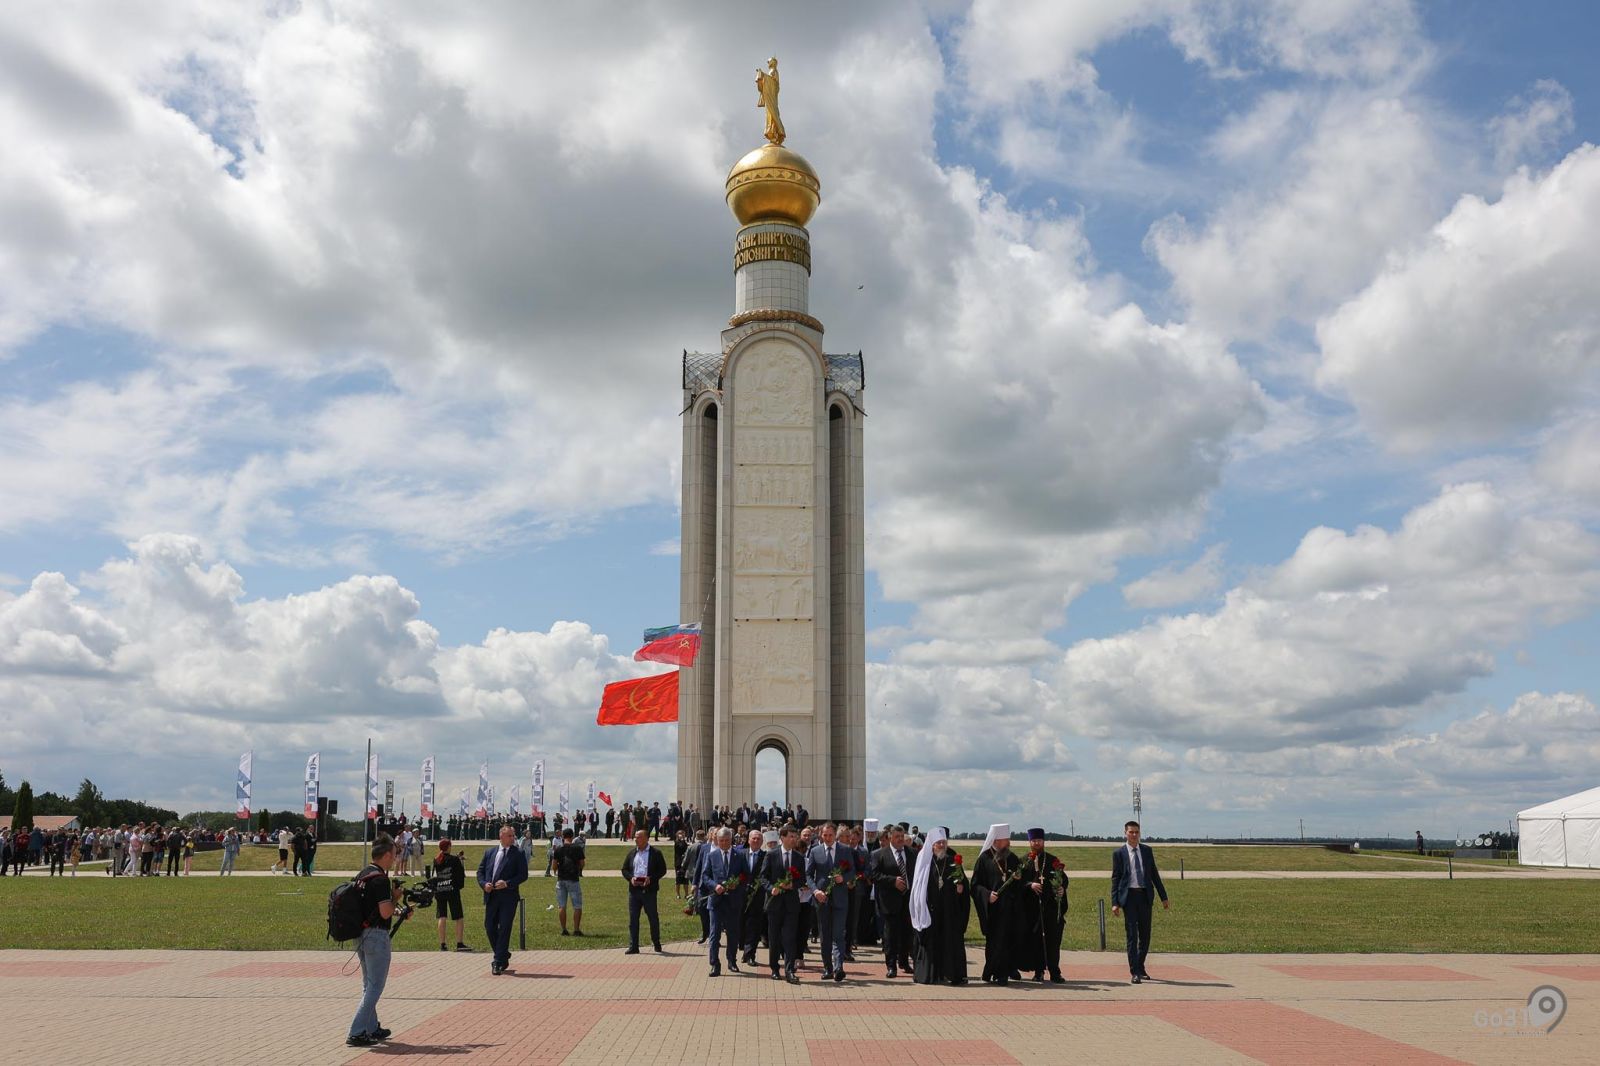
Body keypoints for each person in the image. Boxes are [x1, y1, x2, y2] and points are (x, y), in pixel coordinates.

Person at [345, 833, 402, 1048]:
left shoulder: (363, 875)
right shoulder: (380, 879)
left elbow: (374, 909)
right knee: (375, 987)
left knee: (368, 984)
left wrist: (397, 910)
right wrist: (395, 898)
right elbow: (385, 912)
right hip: (377, 937)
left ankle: (371, 1027)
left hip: (361, 935)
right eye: (394, 855)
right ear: (386, 855)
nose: (395, 859)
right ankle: (357, 1031)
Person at [972, 823, 1035, 985]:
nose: (1009, 843)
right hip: (994, 909)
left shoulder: (1012, 858)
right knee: (996, 941)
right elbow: (975, 885)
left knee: (1010, 940)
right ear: (996, 840)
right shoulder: (984, 859)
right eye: (1006, 840)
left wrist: (1020, 880)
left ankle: (1007, 969)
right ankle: (996, 971)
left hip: (1012, 908)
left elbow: (1020, 883)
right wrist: (987, 895)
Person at [1110, 820, 1169, 984]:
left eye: (1137, 832)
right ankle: (1134, 971)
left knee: (1145, 935)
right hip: (1128, 898)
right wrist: (1115, 902)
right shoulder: (1119, 853)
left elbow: (1154, 875)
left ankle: (1141, 966)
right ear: (1125, 833)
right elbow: (1115, 879)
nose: (1134, 835)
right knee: (1132, 936)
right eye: (1131, 832)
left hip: (1144, 896)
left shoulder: (1147, 851)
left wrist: (1164, 897)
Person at [910, 827, 970, 985]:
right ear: (932, 845)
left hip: (949, 911)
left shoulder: (952, 862)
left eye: (944, 842)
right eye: (938, 843)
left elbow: (963, 883)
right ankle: (931, 974)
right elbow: (918, 886)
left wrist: (961, 888)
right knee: (931, 943)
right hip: (930, 910)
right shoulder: (925, 862)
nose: (942, 845)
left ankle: (952, 974)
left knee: (950, 942)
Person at [477, 825, 529, 975]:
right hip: (491, 896)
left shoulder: (518, 853)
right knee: (489, 927)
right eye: (510, 836)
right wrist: (483, 884)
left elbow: (523, 875)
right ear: (501, 836)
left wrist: (507, 883)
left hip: (509, 897)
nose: (513, 838)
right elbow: (480, 872)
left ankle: (498, 961)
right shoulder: (490, 852)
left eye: (513, 836)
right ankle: (503, 954)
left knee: (505, 927)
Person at [697, 827, 749, 977]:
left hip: (733, 901)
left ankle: (732, 961)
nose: (724, 843)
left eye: (727, 840)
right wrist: (715, 886)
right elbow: (705, 876)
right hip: (716, 901)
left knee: (733, 933)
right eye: (721, 841)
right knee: (714, 934)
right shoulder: (712, 856)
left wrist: (737, 883)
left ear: (731, 840)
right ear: (717, 841)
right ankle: (714, 964)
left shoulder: (739, 855)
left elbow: (746, 875)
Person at [806, 822, 852, 982]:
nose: (827, 838)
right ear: (821, 835)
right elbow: (808, 875)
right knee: (825, 935)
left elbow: (852, 871)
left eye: (830, 835)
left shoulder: (845, 850)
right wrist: (815, 891)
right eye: (824, 835)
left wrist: (844, 878)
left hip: (840, 898)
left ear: (835, 835)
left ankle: (839, 967)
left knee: (839, 933)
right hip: (822, 899)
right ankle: (828, 968)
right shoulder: (815, 851)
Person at [1021, 828, 1067, 983]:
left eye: (1039, 841)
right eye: (1034, 841)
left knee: (1053, 942)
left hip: (1050, 908)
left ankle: (1055, 972)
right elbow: (1018, 882)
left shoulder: (1053, 860)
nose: (1036, 843)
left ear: (1043, 842)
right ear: (1029, 842)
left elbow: (1063, 879)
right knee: (1036, 943)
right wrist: (1030, 885)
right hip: (1032, 910)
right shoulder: (1024, 860)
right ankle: (1039, 971)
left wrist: (1062, 888)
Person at [870, 824, 916, 978]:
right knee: (891, 935)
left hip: (908, 900)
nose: (900, 840)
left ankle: (904, 962)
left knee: (906, 933)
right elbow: (874, 875)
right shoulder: (880, 854)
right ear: (890, 837)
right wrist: (892, 881)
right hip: (890, 901)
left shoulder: (912, 853)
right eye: (897, 837)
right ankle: (891, 966)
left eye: (902, 837)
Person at [758, 825, 803, 983]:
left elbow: (802, 879)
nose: (793, 839)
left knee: (790, 937)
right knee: (774, 937)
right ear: (782, 838)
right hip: (775, 904)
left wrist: (793, 885)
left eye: (795, 836)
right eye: (790, 836)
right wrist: (772, 888)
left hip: (791, 904)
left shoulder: (798, 857)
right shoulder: (771, 855)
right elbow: (763, 877)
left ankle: (790, 970)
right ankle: (775, 968)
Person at [620, 829, 667, 954]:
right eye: (635, 837)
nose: (636, 839)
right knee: (633, 919)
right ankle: (634, 946)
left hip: (649, 891)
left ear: (646, 838)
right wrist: (631, 878)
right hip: (634, 891)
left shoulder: (655, 853)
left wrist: (651, 878)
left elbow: (662, 870)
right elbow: (624, 869)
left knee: (653, 917)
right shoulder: (632, 853)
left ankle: (656, 943)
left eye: (639, 837)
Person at [429, 838, 470, 952]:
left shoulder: (436, 859)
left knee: (442, 916)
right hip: (452, 890)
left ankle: (442, 944)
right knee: (458, 917)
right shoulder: (454, 860)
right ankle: (459, 943)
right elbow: (460, 875)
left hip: (440, 890)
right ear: (449, 847)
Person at [737, 829, 771, 966]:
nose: (756, 841)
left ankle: (750, 953)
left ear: (762, 841)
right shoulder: (740, 854)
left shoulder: (766, 856)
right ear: (749, 840)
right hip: (741, 895)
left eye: (758, 839)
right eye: (753, 838)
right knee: (741, 924)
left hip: (758, 896)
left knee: (754, 925)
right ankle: (744, 948)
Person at [553, 828, 586, 937]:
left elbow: (554, 865)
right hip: (573, 879)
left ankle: (564, 929)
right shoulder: (577, 848)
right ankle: (576, 929)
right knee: (577, 906)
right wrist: (578, 869)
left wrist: (556, 871)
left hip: (561, 879)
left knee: (562, 906)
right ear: (572, 836)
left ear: (563, 836)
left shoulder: (558, 849)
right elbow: (582, 863)